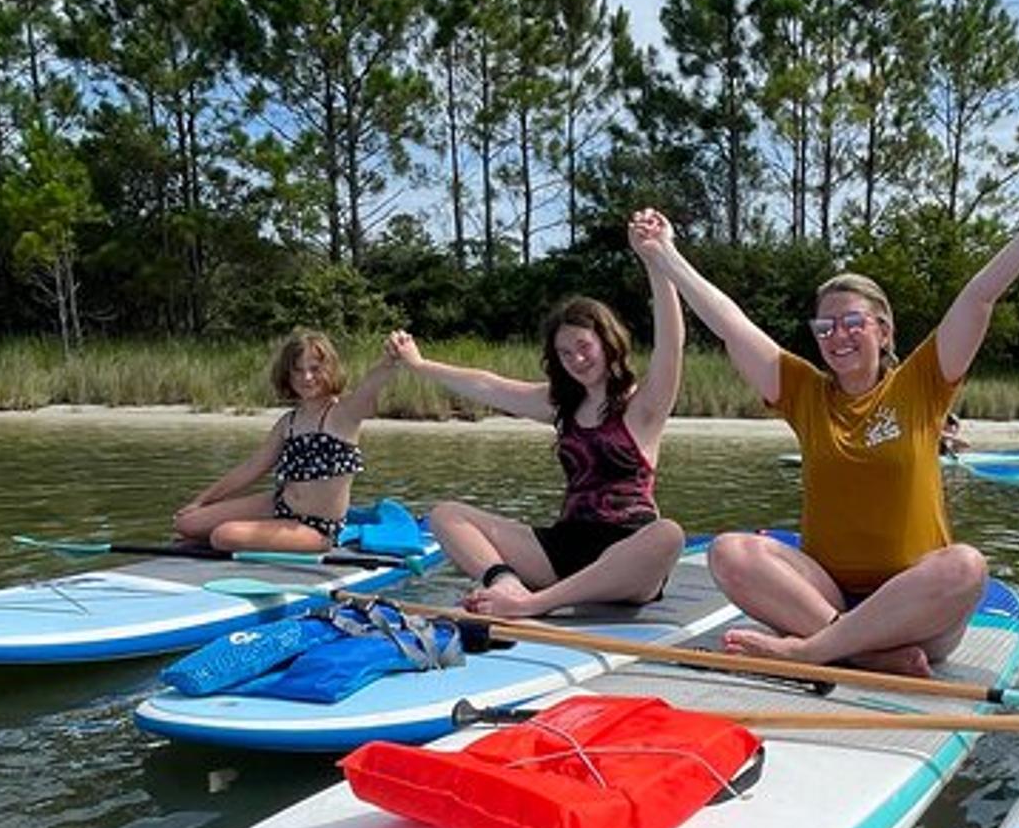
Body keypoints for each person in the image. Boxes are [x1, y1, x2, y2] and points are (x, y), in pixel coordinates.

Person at [634, 200, 1019, 677]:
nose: (838, 335)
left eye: (853, 322)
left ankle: (812, 652)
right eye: (825, 326)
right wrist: (665, 255)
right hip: (822, 597)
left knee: (965, 566)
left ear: (883, 331)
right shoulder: (803, 392)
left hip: (916, 611)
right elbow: (731, 325)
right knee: (729, 552)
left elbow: (980, 297)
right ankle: (861, 652)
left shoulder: (921, 383)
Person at [383, 211, 687, 618]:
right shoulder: (561, 405)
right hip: (564, 548)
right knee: (446, 515)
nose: (576, 359)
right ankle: (506, 584)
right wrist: (420, 366)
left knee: (668, 536)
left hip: (627, 555)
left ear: (607, 341)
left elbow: (672, 341)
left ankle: (532, 603)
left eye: (584, 346)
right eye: (564, 353)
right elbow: (488, 385)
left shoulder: (644, 407)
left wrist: (657, 257)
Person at [173, 330, 393, 552]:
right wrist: (201, 501)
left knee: (224, 535)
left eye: (315, 369)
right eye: (298, 370)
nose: (306, 377)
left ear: (331, 369)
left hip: (317, 529)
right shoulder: (288, 422)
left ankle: (232, 537)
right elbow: (251, 468)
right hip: (279, 505)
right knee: (186, 523)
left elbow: (369, 389)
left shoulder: (344, 414)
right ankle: (237, 535)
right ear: (287, 375)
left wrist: (388, 361)